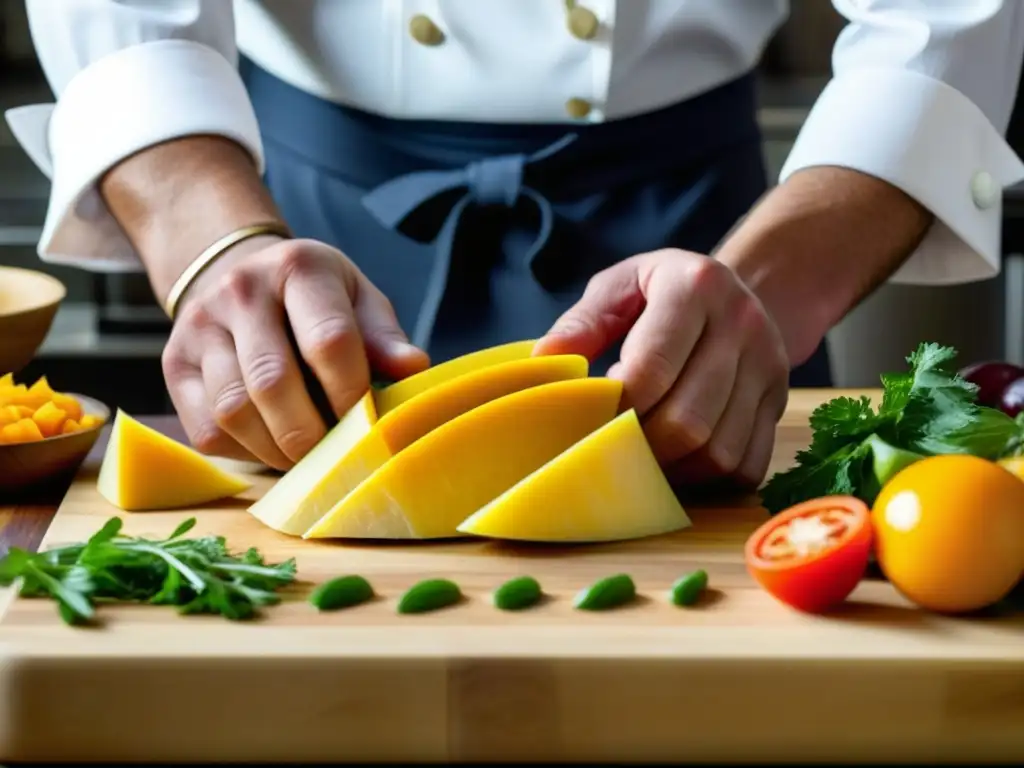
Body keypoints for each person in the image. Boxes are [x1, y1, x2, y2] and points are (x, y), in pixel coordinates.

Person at [8, 1, 1024, 490]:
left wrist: (764, 289)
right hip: (304, 223)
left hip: (712, 241)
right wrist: (215, 244)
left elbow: (940, 24)